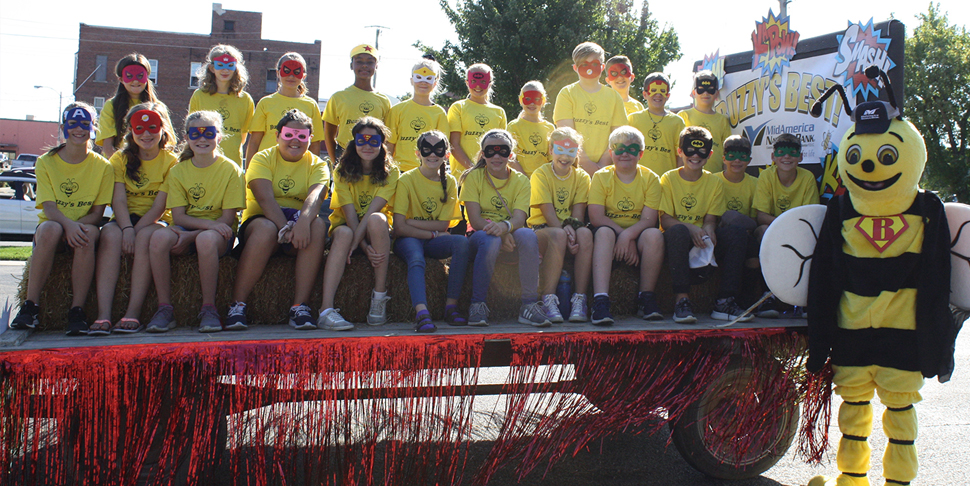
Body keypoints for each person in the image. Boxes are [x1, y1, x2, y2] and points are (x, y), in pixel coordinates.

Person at [12, 102, 113, 335]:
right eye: (73, 124)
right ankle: (30, 307)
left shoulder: (104, 167)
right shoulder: (46, 161)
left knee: (87, 235)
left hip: (84, 224)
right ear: (63, 127)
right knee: (50, 230)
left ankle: (76, 310)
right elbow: (48, 207)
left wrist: (75, 227)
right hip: (53, 223)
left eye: (85, 124)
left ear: (93, 128)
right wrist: (67, 225)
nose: (79, 129)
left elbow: (97, 214)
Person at [227, 109, 330, 331]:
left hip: (297, 227)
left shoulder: (318, 164)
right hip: (264, 221)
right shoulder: (262, 158)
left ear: (310, 139)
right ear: (277, 136)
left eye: (302, 136)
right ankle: (237, 305)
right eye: (289, 134)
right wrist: (285, 228)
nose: (295, 140)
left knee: (318, 225)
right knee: (265, 228)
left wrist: (302, 223)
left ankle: (299, 307)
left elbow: (316, 195)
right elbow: (264, 198)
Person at [145, 111, 245, 333]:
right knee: (159, 237)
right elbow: (178, 217)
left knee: (207, 240)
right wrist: (194, 232)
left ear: (219, 137)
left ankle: (208, 308)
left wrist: (194, 235)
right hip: (189, 227)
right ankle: (165, 308)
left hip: (218, 233)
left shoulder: (231, 170)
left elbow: (227, 219)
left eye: (208, 133)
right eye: (195, 133)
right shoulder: (178, 171)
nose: (202, 139)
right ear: (187, 138)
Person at [93, 103, 178, 334]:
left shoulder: (171, 162)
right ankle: (103, 314)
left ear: (163, 129)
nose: (147, 134)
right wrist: (127, 228)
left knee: (146, 238)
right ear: (130, 131)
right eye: (139, 128)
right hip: (123, 218)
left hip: (153, 220)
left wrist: (136, 230)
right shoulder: (119, 159)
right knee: (109, 236)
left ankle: (133, 312)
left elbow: (160, 206)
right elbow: (118, 200)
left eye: (153, 127)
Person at [659, 126, 751, 323]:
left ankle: (724, 300)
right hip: (678, 239)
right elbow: (665, 219)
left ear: (709, 154)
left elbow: (711, 218)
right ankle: (681, 301)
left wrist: (708, 229)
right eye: (690, 150)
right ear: (680, 151)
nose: (695, 156)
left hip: (703, 239)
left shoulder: (714, 182)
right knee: (678, 231)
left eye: (701, 152)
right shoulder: (668, 178)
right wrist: (691, 228)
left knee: (737, 234)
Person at [460, 129, 549, 328]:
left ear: (511, 155)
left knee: (527, 235)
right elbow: (475, 220)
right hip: (480, 234)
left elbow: (520, 218)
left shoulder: (521, 180)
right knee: (490, 240)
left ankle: (529, 304)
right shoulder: (473, 178)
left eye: (503, 151)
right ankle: (478, 304)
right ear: (483, 154)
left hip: (508, 230)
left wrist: (505, 228)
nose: (497, 156)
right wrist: (500, 234)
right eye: (491, 151)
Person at [319, 117, 400, 330]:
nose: (367, 146)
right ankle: (326, 309)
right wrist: (362, 246)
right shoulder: (341, 171)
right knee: (345, 233)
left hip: (375, 230)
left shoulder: (391, 172)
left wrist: (366, 244)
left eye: (373, 141)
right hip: (347, 226)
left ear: (382, 144)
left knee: (376, 218)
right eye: (361, 140)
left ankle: (379, 298)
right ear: (353, 142)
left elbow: (373, 209)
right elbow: (350, 215)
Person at [587, 126, 665, 325]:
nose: (625, 154)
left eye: (632, 149)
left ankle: (645, 297)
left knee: (654, 235)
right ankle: (600, 301)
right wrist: (623, 235)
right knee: (604, 232)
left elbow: (649, 220)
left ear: (641, 153)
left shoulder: (651, 179)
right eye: (619, 149)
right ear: (611, 152)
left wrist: (628, 236)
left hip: (637, 233)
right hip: (611, 232)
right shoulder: (601, 176)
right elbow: (596, 217)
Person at [393, 131, 469, 332]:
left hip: (428, 239)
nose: (432, 155)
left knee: (462, 243)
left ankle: (451, 307)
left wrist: (412, 222)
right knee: (416, 258)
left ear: (447, 154)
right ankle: (422, 313)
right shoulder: (406, 180)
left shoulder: (450, 182)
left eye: (439, 150)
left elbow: (443, 225)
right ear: (418, 153)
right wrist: (432, 234)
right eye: (427, 149)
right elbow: (399, 227)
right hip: (408, 240)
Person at [528, 127, 593, 322]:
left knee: (586, 235)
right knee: (558, 235)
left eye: (571, 151)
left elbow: (578, 215)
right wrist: (565, 233)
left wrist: (572, 233)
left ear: (577, 153)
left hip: (568, 227)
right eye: (560, 150)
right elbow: (548, 214)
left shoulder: (581, 177)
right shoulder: (540, 174)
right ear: (550, 150)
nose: (565, 157)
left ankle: (579, 300)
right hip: (543, 231)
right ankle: (547, 298)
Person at [752, 132, 820, 317]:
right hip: (774, 230)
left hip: (801, 231)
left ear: (801, 156)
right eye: (781, 152)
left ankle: (806, 298)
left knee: (812, 239)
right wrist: (784, 227)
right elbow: (761, 216)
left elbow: (811, 215)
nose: (787, 157)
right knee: (763, 232)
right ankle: (769, 295)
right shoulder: (766, 177)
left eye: (792, 152)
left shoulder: (807, 178)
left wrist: (792, 228)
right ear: (773, 157)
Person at [553, 42, 628, 176]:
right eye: (584, 64)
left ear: (602, 66)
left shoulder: (614, 97)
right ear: (575, 68)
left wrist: (602, 167)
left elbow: (618, 136)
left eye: (594, 63)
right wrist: (588, 166)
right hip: (573, 170)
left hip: (605, 171)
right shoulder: (567, 93)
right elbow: (567, 136)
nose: (589, 68)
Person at [246, 52, 324, 165]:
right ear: (278, 73)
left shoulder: (311, 105)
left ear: (304, 76)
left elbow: (315, 143)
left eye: (297, 72)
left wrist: (312, 171)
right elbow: (254, 142)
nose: (291, 76)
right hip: (266, 165)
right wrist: (249, 172)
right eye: (286, 71)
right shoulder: (265, 102)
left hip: (298, 167)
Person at [322, 43, 392, 163]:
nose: (364, 65)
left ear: (376, 66)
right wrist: (335, 161)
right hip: (345, 155)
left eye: (370, 62)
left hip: (373, 155)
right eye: (359, 61)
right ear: (351, 65)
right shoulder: (338, 97)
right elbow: (329, 135)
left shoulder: (383, 100)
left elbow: (387, 137)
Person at [188, 44, 255, 166]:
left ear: (236, 68)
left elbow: (244, 137)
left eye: (230, 66)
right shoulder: (199, 96)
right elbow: (191, 130)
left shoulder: (245, 99)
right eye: (220, 65)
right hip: (203, 161)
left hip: (233, 163)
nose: (225, 70)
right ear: (212, 68)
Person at [386, 58, 450, 173]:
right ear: (411, 80)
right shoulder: (397, 110)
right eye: (419, 77)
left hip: (427, 172)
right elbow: (389, 144)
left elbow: (442, 148)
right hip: (400, 171)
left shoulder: (439, 113)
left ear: (435, 83)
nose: (423, 82)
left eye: (428, 78)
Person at [95, 53, 161, 159]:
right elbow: (107, 147)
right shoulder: (111, 106)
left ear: (147, 77)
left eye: (140, 76)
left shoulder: (158, 107)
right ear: (121, 79)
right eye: (129, 76)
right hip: (120, 167)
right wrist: (123, 168)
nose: (135, 81)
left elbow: (168, 144)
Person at [447, 63, 508, 173]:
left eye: (483, 82)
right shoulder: (458, 108)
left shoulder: (499, 112)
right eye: (473, 81)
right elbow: (454, 144)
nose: (478, 86)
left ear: (490, 84)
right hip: (463, 175)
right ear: (467, 83)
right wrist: (473, 170)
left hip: (491, 176)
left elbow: (502, 146)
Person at [627, 72, 685, 176]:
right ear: (645, 94)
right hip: (639, 179)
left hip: (666, 180)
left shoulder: (677, 122)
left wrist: (678, 179)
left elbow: (680, 155)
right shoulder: (633, 119)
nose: (658, 95)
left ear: (668, 95)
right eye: (653, 90)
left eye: (662, 91)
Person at [678, 70, 731, 170]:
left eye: (710, 89)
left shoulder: (722, 120)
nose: (705, 93)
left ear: (717, 93)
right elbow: (679, 149)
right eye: (701, 89)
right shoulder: (684, 115)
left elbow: (727, 151)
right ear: (694, 92)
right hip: (689, 176)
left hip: (715, 176)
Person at [507, 81, 556, 178]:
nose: (532, 103)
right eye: (528, 99)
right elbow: (511, 158)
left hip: (543, 180)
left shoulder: (550, 128)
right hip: (520, 181)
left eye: (536, 99)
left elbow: (552, 158)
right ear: (520, 100)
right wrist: (525, 180)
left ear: (543, 101)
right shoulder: (514, 126)